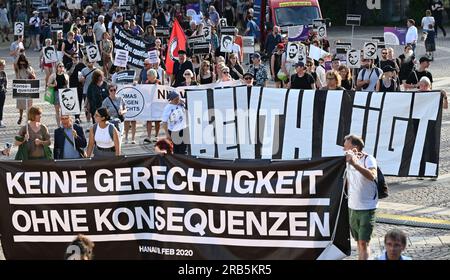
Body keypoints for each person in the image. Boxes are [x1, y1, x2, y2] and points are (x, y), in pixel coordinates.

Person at [343, 134, 378, 260]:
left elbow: (372, 176)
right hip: (352, 207)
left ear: (355, 147)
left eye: (346, 147)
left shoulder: (369, 159)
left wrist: (355, 164)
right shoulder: (347, 160)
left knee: (363, 242)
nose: (343, 149)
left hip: (367, 207)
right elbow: (348, 179)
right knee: (358, 242)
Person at [14, 54, 35, 125]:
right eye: (20, 62)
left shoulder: (30, 68)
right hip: (20, 87)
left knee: (29, 105)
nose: (22, 64)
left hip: (29, 87)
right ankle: (20, 116)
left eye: (23, 62)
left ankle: (28, 120)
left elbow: (34, 77)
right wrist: (19, 54)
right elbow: (15, 63)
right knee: (21, 105)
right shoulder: (18, 69)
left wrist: (29, 72)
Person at [47, 62, 70, 127]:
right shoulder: (53, 75)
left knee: (64, 110)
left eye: (62, 66)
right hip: (56, 93)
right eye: (60, 66)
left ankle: (64, 124)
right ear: (57, 67)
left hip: (64, 93)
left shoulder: (66, 75)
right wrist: (54, 85)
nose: (61, 67)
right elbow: (48, 84)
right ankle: (58, 125)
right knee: (57, 111)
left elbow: (68, 86)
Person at [0, 59, 6, 128]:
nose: (4, 67)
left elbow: (5, 81)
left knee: (1, 107)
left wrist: (5, 89)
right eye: (3, 65)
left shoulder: (3, 73)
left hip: (2, 92)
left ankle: (1, 121)